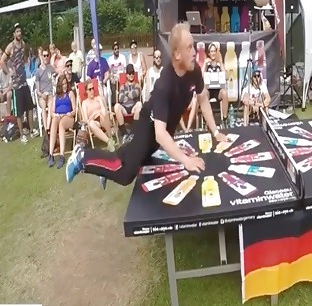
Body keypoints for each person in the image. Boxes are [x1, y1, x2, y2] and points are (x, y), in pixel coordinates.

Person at [66, 22, 229, 188]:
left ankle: (103, 168)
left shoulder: (194, 70)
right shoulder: (165, 84)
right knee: (124, 173)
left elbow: (203, 98)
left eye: (193, 46)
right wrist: (186, 160)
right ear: (177, 54)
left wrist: (216, 132)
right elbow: (160, 134)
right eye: (189, 48)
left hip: (160, 131)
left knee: (135, 160)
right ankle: (82, 156)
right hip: (147, 127)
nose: (194, 52)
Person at [0, 23, 38, 143]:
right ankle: (22, 135)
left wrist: (26, 62)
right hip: (16, 85)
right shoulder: (10, 47)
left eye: (20, 31)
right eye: (17, 31)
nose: (19, 33)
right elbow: (2, 61)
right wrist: (9, 72)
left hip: (24, 81)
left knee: (30, 107)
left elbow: (24, 58)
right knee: (19, 111)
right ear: (14, 34)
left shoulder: (23, 44)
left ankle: (31, 130)